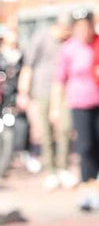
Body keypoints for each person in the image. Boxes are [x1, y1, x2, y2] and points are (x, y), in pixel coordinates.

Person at [51, 9, 99, 211]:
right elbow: (60, 79)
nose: (84, 31)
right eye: (79, 27)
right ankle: (86, 188)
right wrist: (55, 107)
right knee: (84, 146)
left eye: (87, 26)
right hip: (79, 103)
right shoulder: (69, 49)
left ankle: (95, 186)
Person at [16, 17, 76, 189]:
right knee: (46, 131)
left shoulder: (68, 42)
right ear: (58, 26)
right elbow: (28, 66)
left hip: (64, 90)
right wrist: (23, 91)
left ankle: (64, 167)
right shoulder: (41, 38)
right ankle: (51, 170)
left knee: (65, 128)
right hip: (42, 89)